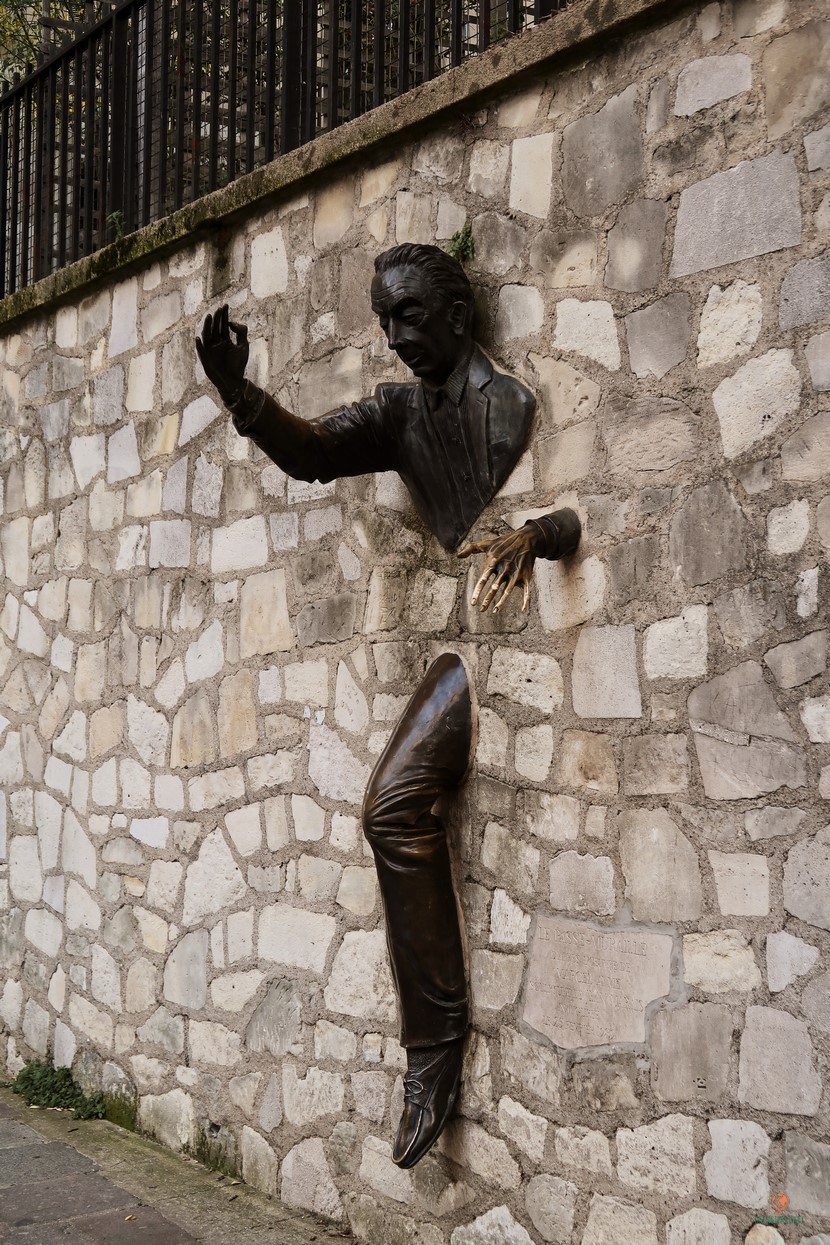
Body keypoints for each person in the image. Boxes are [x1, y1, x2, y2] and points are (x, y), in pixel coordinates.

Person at [196, 243, 580, 1167]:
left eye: (408, 315)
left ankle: (435, 1045)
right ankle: (432, 1047)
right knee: (388, 808)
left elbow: (572, 526)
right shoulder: (401, 411)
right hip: (460, 653)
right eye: (383, 320)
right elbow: (317, 452)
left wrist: (538, 532)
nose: (395, 337)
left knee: (390, 807)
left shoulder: (511, 406)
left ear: (459, 312)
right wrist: (242, 398)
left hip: (505, 653)